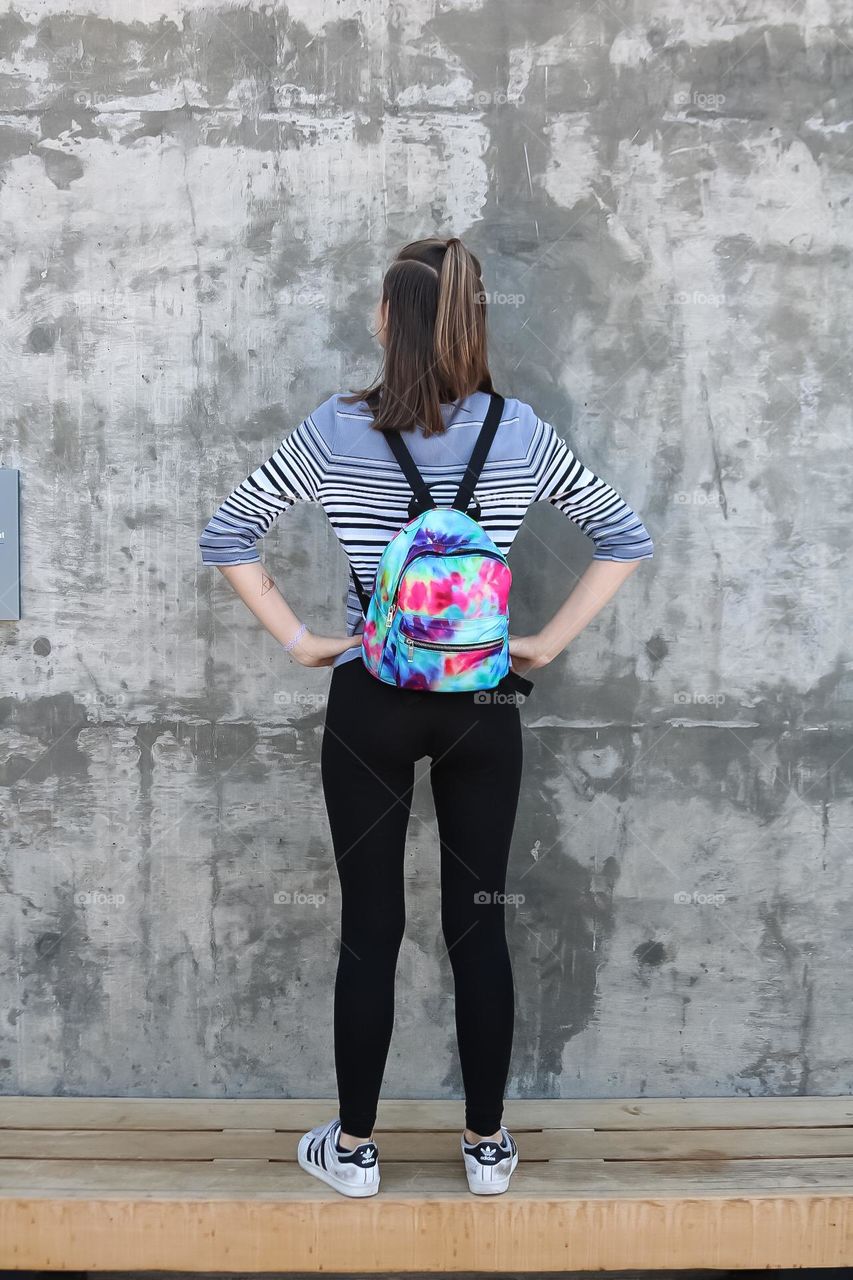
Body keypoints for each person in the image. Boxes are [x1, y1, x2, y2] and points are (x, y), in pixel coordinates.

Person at [198, 235, 654, 1197]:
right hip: (483, 700)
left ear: (386, 317)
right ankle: (487, 1151)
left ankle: (355, 1153)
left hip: (371, 697)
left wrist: (300, 640)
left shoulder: (335, 426)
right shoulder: (519, 430)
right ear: (472, 319)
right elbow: (623, 536)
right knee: (478, 921)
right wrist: (544, 644)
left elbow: (228, 532)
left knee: (369, 923)